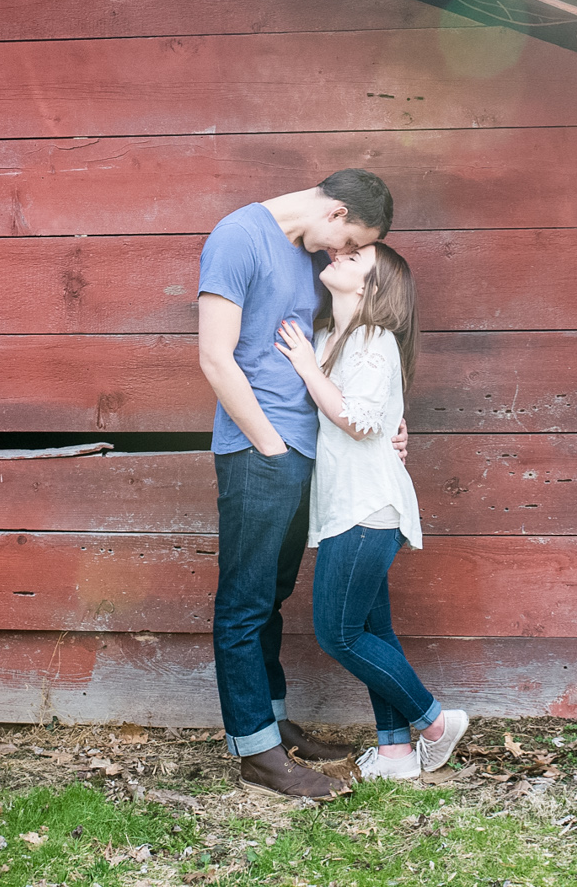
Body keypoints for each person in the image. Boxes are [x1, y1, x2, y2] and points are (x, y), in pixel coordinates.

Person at [197, 169, 401, 800]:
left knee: (273, 597)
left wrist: (392, 418)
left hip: (304, 451)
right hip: (261, 451)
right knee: (245, 601)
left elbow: (345, 343)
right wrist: (267, 442)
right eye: (348, 242)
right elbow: (214, 354)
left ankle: (273, 722)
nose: (340, 256)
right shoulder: (239, 237)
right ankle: (255, 752)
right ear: (336, 213)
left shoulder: (299, 255)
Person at [274, 242, 470, 781]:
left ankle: (432, 723)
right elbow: (368, 420)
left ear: (371, 287)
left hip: (368, 508)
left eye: (355, 256)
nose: (339, 253)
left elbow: (357, 419)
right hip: (345, 507)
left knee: (337, 634)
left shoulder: (371, 339)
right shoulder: (325, 338)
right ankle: (395, 752)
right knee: (372, 632)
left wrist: (310, 370)